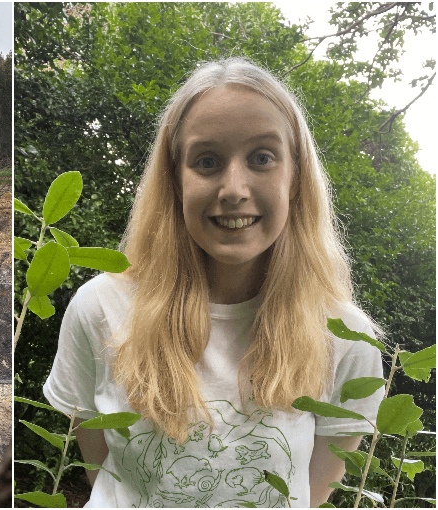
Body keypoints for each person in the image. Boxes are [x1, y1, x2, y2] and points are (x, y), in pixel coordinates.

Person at [43, 57, 384, 508]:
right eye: (207, 161)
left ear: (295, 177)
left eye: (262, 158)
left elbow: (314, 489)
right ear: (175, 181)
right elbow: (102, 474)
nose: (234, 189)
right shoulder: (100, 309)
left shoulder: (347, 337)